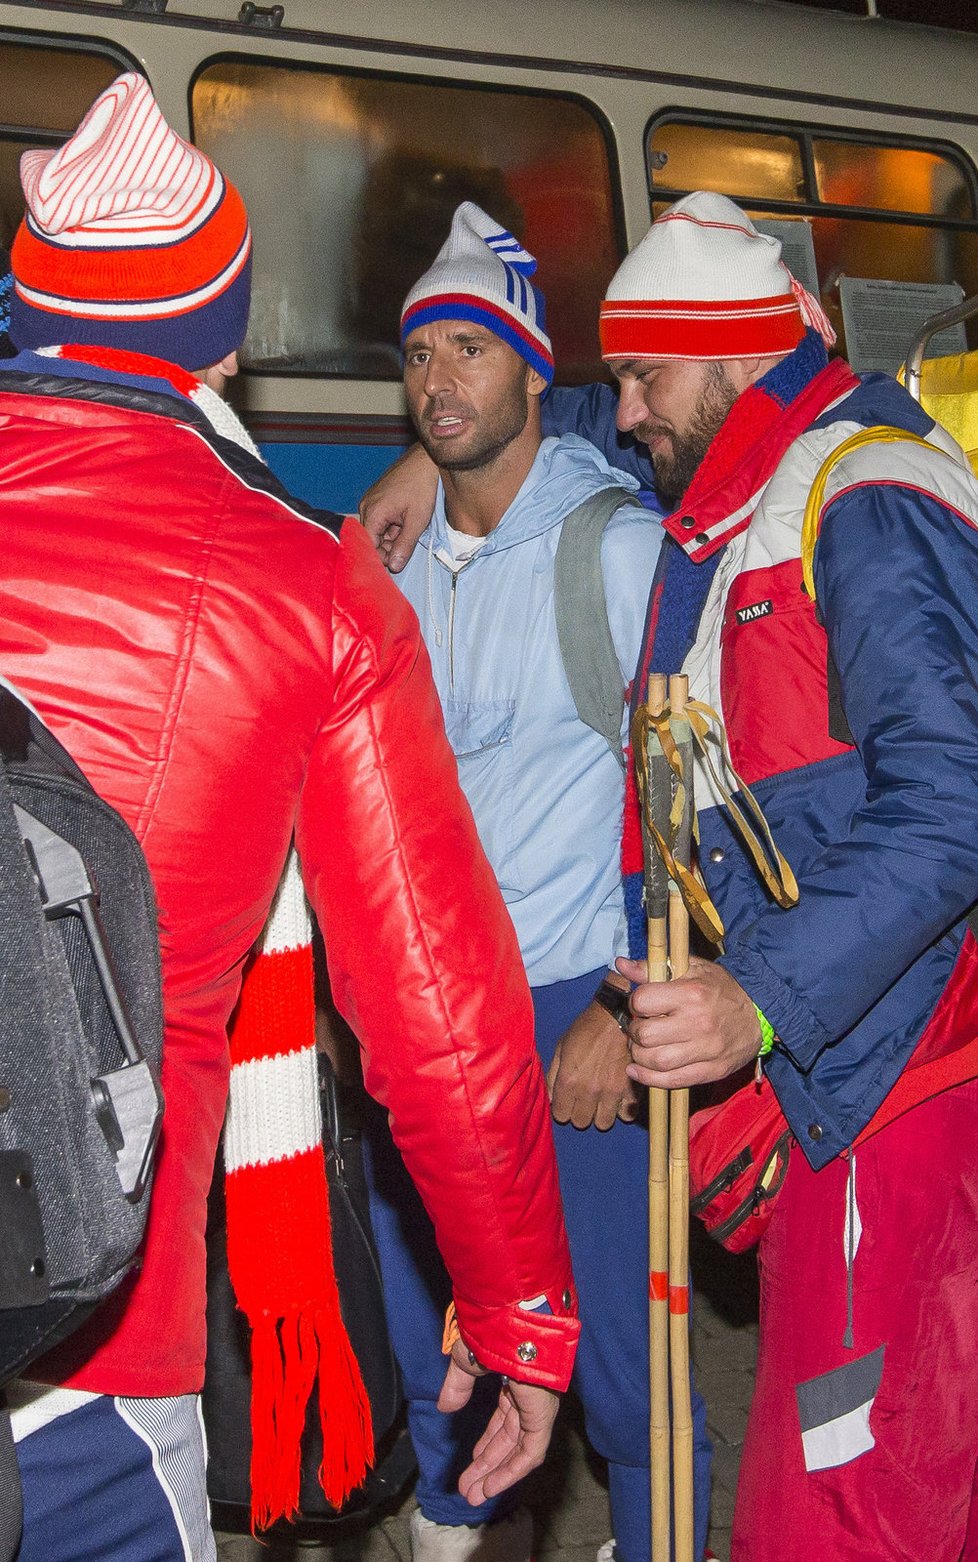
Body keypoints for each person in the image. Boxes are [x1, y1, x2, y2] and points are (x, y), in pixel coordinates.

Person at [0, 73, 580, 1561]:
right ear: (225, 339)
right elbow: (435, 1009)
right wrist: (516, 1302)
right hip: (89, 1351)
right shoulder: (309, 589)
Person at [363, 189, 978, 1562]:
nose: (623, 407)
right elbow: (561, 416)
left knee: (855, 1499)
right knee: (799, 1497)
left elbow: (951, 802)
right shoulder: (753, 478)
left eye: (641, 375)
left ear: (735, 359)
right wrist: (427, 457)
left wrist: (751, 998)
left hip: (896, 1089)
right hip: (841, 1080)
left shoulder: (859, 496)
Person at [360, 202, 712, 1562]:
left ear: (531, 369)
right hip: (428, 1026)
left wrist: (633, 1009)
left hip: (573, 1004)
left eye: (469, 351)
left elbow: (693, 810)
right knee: (434, 1352)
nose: (440, 381)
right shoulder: (384, 570)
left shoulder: (613, 551)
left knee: (628, 1379)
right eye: (420, 356)